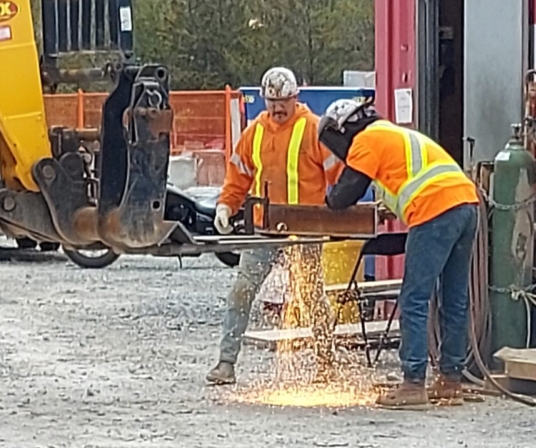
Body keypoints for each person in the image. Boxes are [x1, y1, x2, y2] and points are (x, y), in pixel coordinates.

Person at [317, 98, 480, 409]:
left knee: (414, 299)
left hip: (436, 210)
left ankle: (413, 383)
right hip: (465, 204)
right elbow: (405, 183)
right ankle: (450, 380)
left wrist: (326, 200)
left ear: (344, 129)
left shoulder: (367, 139)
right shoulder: (391, 134)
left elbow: (343, 196)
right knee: (455, 298)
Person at [205, 67, 343, 385]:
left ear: (296, 98)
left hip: (306, 225)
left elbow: (338, 176)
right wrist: (226, 205)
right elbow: (239, 173)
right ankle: (226, 363)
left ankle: (326, 363)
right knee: (242, 290)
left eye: (284, 102)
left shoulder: (313, 129)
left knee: (311, 294)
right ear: (266, 100)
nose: (278, 109)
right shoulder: (255, 131)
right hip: (265, 226)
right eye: (272, 103)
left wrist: (338, 211)